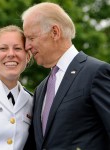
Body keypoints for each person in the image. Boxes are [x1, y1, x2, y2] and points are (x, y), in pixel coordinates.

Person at [21, 2, 110, 150]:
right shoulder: (40, 90)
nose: (27, 46)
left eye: (31, 38)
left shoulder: (96, 73)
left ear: (55, 32)